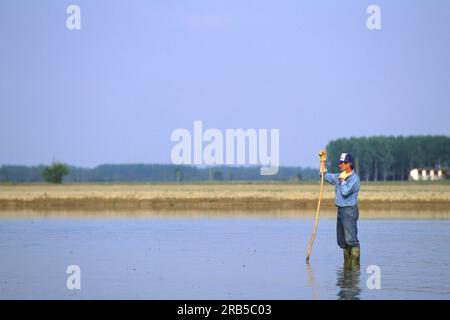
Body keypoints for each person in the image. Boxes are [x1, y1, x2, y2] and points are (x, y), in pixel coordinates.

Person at [320, 151, 361, 265]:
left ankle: (354, 268)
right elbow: (326, 176)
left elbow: (345, 191)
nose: (340, 165)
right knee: (342, 241)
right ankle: (347, 268)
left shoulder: (354, 179)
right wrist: (322, 162)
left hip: (349, 210)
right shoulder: (340, 176)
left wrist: (342, 181)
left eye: (342, 163)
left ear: (349, 164)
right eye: (340, 163)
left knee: (350, 240)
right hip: (340, 210)